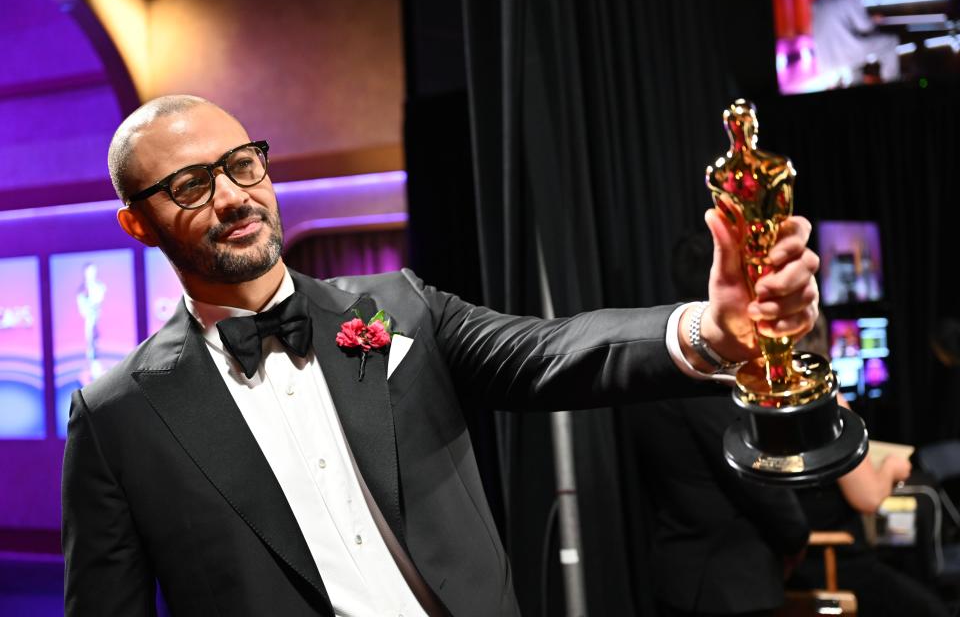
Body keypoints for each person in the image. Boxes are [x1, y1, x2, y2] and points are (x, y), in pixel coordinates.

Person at [61, 95, 822, 617]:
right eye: (192, 185)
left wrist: (710, 332)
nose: (232, 196)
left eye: (242, 164)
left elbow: (548, 351)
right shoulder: (119, 415)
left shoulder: (399, 307)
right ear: (138, 224)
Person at [637, 232, 809, 617]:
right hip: (729, 584)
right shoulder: (709, 370)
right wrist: (797, 536)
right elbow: (755, 471)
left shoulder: (653, 359)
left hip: (681, 574)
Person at [788, 317, 950, 617]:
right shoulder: (825, 402)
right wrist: (891, 467)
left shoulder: (762, 404)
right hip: (834, 561)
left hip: (788, 565)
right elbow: (868, 497)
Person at [812, 0, 900, 86]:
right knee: (890, 42)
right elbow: (864, 26)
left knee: (856, 64)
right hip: (847, 52)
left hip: (825, 59)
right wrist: (874, 20)